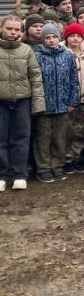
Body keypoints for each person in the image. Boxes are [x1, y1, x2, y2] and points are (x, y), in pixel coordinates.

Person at [0, 15, 45, 190]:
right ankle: (2, 175)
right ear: (1, 29)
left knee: (21, 138)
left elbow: (35, 77)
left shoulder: (26, 50)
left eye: (16, 29)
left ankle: (20, 174)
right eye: (9, 28)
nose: (13, 32)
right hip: (1, 102)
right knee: (1, 138)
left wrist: (38, 103)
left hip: (22, 101)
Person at [34, 23, 80, 183]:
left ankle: (57, 165)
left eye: (54, 37)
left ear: (59, 38)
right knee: (43, 138)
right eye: (47, 37)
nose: (51, 40)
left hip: (63, 104)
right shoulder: (37, 56)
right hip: (44, 106)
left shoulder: (67, 56)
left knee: (61, 137)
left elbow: (74, 80)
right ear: (43, 40)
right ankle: (43, 168)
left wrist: (73, 101)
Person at [63, 23, 84, 172]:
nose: (75, 38)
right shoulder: (62, 52)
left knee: (82, 130)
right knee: (68, 131)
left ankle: (77, 157)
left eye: (78, 36)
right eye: (72, 36)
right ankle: (66, 159)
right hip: (68, 100)